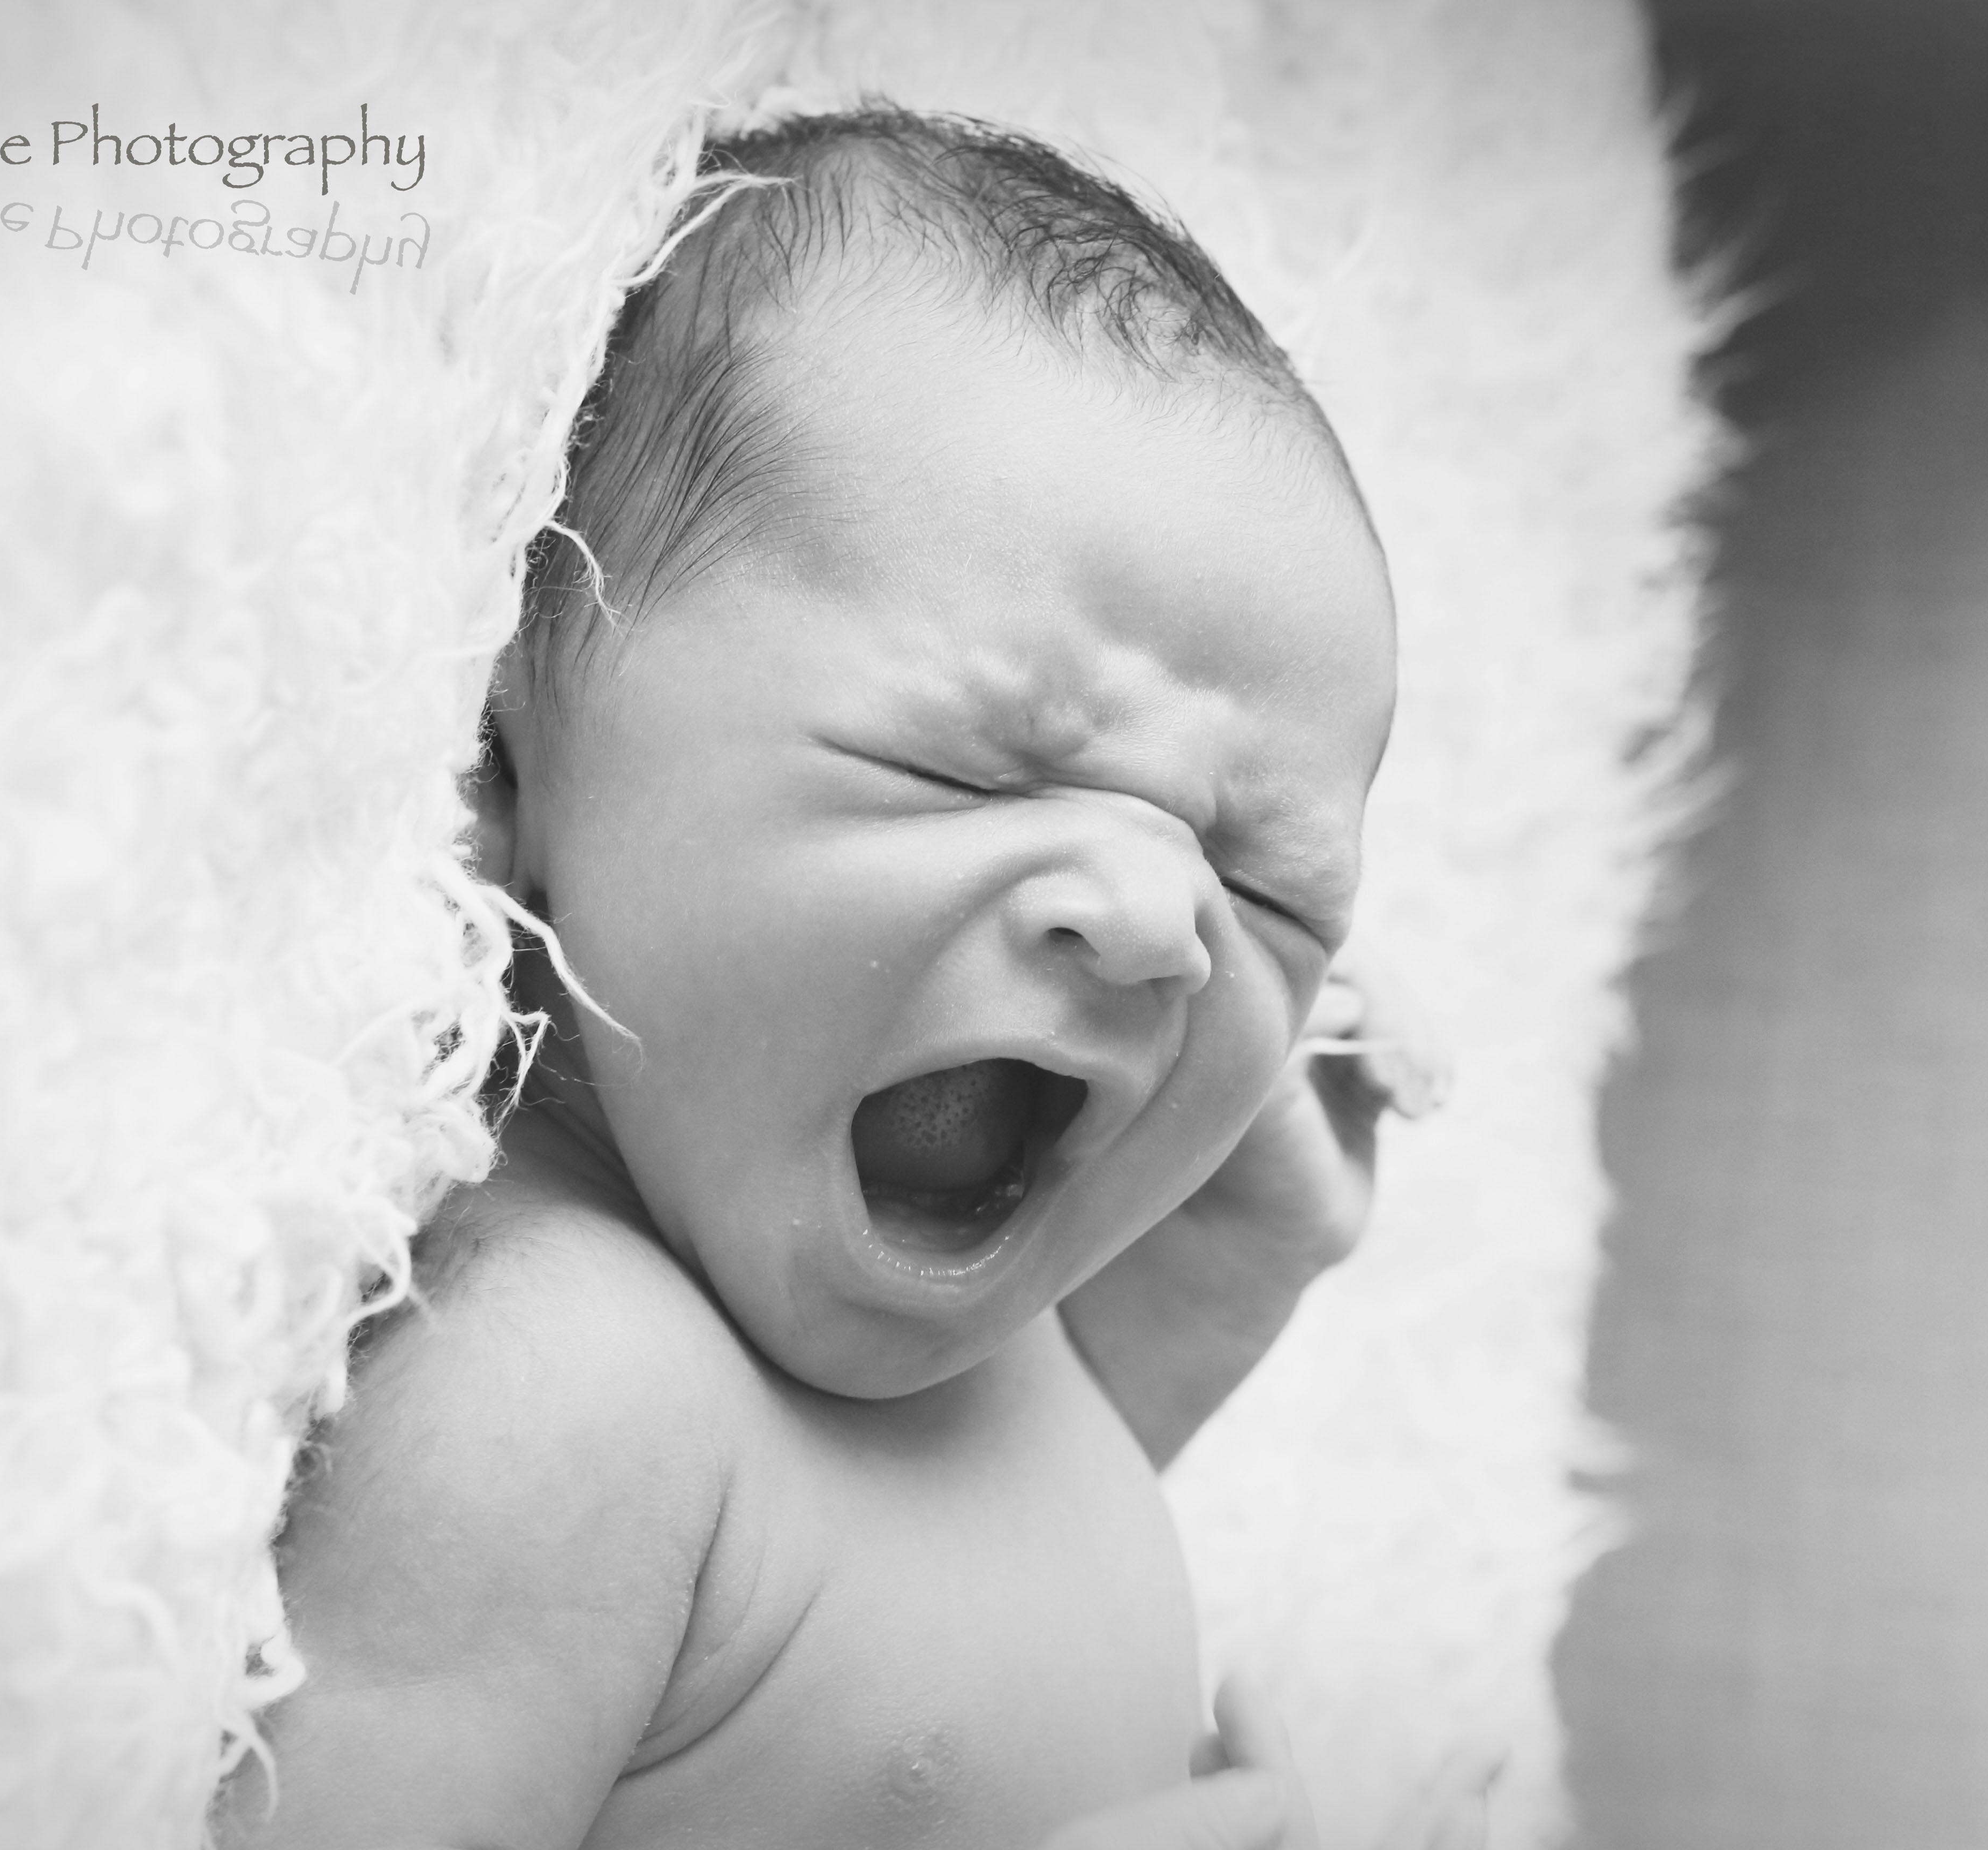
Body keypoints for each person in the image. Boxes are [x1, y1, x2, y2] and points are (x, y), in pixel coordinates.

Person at [221, 107, 1457, 1850]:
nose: (1163, 923)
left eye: (1269, 881)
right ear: (508, 772)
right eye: (974, 773)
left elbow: (961, 1659)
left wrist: (1247, 1242)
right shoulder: (557, 1398)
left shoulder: (975, 1365)